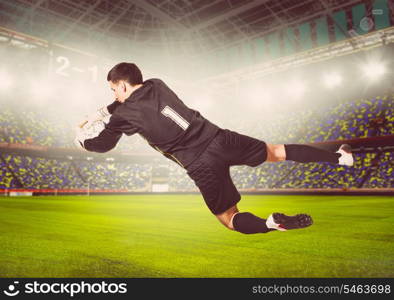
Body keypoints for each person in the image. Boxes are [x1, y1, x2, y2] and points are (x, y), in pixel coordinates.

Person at [75, 62, 354, 235]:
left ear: (121, 85)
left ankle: (270, 223)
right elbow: (127, 101)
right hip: (220, 138)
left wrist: (81, 139)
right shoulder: (156, 84)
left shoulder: (124, 116)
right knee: (278, 152)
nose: (113, 95)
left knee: (229, 218)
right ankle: (340, 159)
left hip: (198, 163)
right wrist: (103, 110)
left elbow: (103, 144)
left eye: (113, 90)